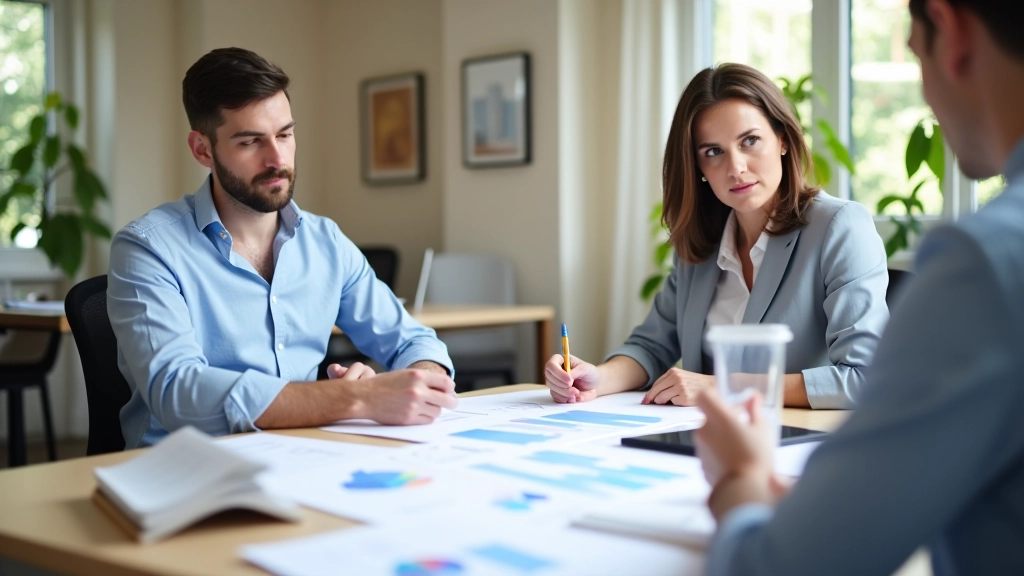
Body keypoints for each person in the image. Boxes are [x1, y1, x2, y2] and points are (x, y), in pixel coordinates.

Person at [694, 0, 1024, 574]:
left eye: (915, 56)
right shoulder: (702, 242)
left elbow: (783, 567)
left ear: (950, 31)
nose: (926, 97)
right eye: (713, 152)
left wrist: (740, 478)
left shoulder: (988, 261)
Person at [107, 48, 457, 449]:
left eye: (285, 135)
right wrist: (352, 398)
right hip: (183, 469)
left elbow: (413, 341)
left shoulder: (325, 242)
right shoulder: (148, 248)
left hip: (302, 457)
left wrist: (418, 382)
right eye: (250, 141)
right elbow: (177, 391)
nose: (277, 159)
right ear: (203, 149)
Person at [545, 63, 888, 410]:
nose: (736, 168)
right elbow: (651, 347)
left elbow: (866, 377)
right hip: (704, 433)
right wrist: (597, 379)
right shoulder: (700, 243)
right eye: (713, 152)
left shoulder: (839, 227)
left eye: (750, 141)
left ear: (782, 139)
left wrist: (723, 387)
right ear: (698, 167)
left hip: (796, 436)